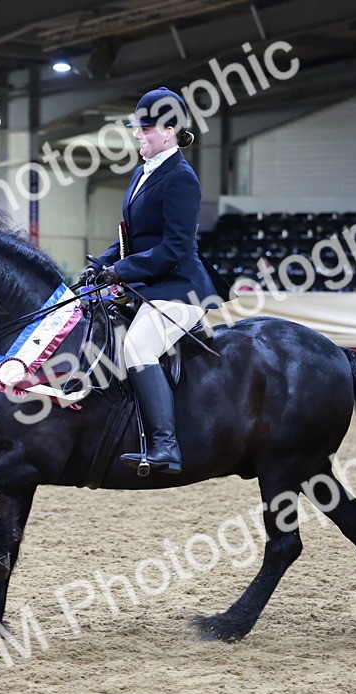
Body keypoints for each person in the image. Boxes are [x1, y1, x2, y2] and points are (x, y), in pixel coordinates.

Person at [79, 87, 227, 475]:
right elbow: (131, 236)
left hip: (179, 286)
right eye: (137, 129)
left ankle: (166, 445)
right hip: (150, 284)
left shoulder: (181, 178)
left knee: (138, 347)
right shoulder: (144, 172)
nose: (138, 135)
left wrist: (122, 272)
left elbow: (174, 248)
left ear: (170, 130)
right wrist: (103, 263)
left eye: (145, 129)